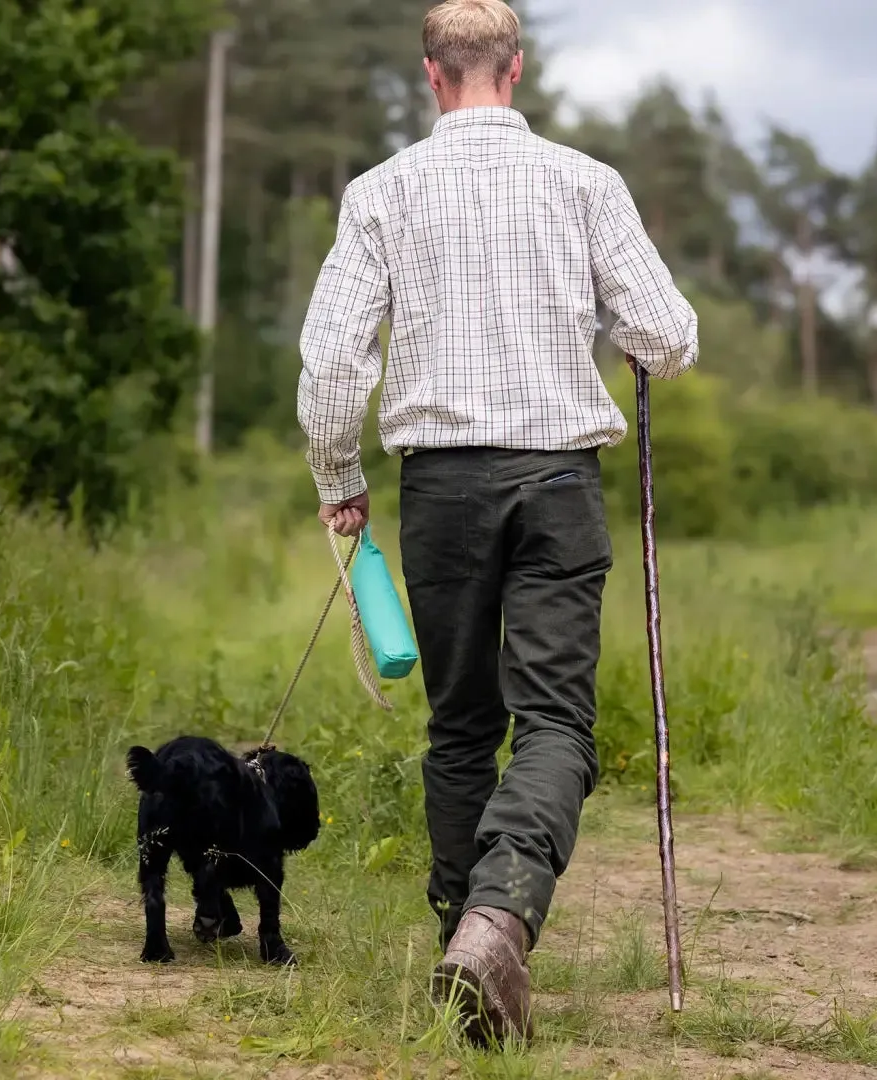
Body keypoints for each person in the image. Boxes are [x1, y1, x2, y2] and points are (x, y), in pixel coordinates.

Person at [296, 0, 698, 1046]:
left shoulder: (381, 193)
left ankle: (459, 941)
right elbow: (666, 335)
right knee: (556, 720)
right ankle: (497, 922)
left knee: (462, 723)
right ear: (514, 70)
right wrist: (608, 329)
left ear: (432, 74)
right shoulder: (584, 183)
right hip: (560, 483)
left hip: (442, 491)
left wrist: (340, 475)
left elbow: (334, 358)